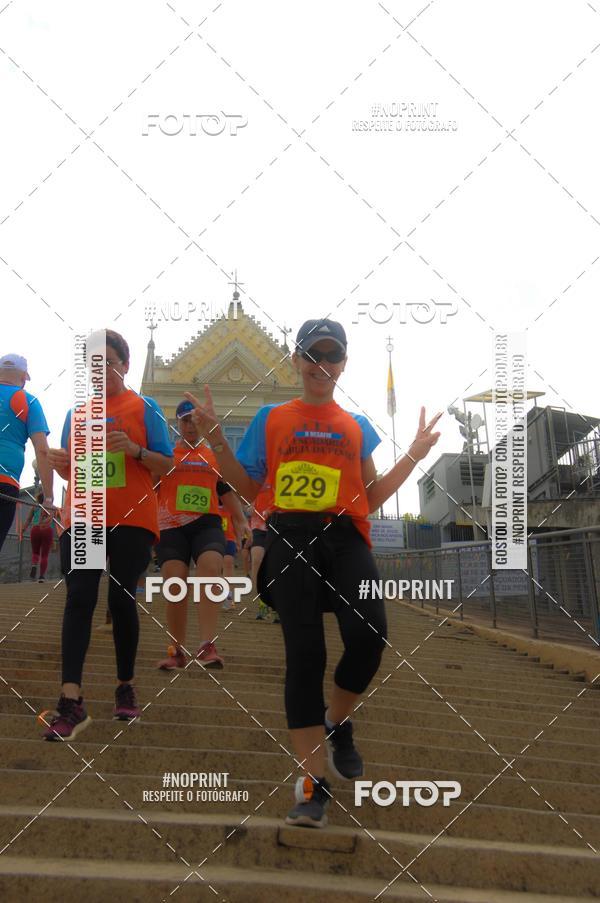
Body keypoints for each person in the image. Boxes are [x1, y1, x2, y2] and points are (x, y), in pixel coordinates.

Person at [185, 318, 441, 828]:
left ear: (343, 364)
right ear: (297, 361)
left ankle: (337, 721)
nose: (321, 365)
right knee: (306, 656)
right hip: (289, 536)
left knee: (370, 637)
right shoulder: (271, 418)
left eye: (332, 356)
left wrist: (411, 456)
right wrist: (217, 441)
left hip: (346, 537)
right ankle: (311, 784)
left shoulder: (356, 426)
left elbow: (370, 497)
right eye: (312, 355)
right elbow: (249, 485)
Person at [42, 330, 173, 741]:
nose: (103, 370)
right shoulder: (76, 415)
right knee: (80, 597)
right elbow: (74, 472)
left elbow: (166, 465)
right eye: (94, 364)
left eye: (110, 362)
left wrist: (134, 450)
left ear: (125, 365)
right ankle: (71, 700)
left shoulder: (145, 407)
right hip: (83, 517)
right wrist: (61, 462)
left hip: (131, 519)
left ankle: (124, 684)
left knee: (121, 598)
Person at [154, 400, 246, 671]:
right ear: (177, 424)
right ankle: (176, 650)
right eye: (184, 420)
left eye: (195, 420)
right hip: (171, 526)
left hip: (207, 524)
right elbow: (149, 487)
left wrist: (240, 521)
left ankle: (207, 645)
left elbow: (225, 490)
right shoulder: (166, 454)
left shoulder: (213, 456)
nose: (190, 426)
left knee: (209, 569)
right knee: (174, 581)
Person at [0, 354, 54, 554]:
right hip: (4, 483)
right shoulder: (28, 401)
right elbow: (42, 450)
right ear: (24, 377)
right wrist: (48, 498)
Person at [249, 484, 275, 622]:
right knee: (257, 558)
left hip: (278, 524)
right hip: (258, 525)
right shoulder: (256, 471)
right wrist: (247, 506)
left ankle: (278, 604)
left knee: (277, 563)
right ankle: (262, 601)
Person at [21, 491, 57, 582]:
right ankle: (41, 577)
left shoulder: (35, 507)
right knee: (44, 555)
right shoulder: (52, 508)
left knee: (35, 552)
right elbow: (55, 521)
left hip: (35, 529)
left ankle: (34, 565)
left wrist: (23, 529)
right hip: (47, 529)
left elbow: (28, 519)